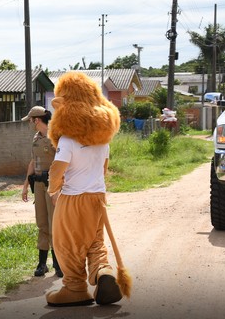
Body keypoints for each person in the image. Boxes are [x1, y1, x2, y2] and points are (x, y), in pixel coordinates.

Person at [46, 70, 131, 307]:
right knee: (95, 241)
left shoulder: (67, 140)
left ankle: (75, 288)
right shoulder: (103, 141)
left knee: (67, 243)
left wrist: (53, 191)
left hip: (73, 198)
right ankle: (103, 272)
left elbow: (56, 171)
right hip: (98, 197)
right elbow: (103, 170)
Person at [21, 105, 62, 278]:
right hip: (38, 185)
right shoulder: (36, 138)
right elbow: (33, 162)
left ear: (37, 120)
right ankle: (42, 264)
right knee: (42, 223)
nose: (29, 123)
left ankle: (58, 264)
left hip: (52, 186)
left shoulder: (56, 137)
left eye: (30, 120)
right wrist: (25, 185)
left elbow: (62, 163)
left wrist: (58, 187)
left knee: (54, 224)